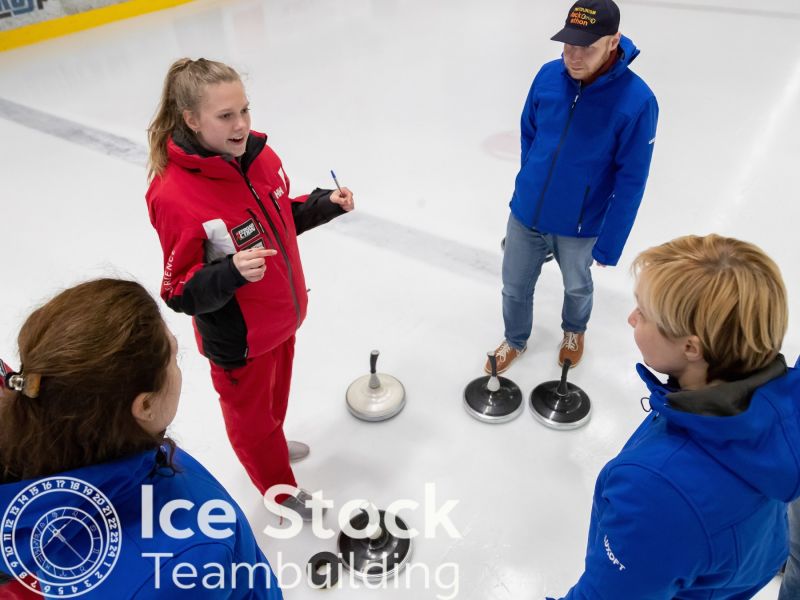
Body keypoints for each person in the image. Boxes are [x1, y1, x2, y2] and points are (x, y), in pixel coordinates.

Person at [145, 58, 354, 519]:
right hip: (239, 340)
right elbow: (178, 291)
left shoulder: (260, 158)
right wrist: (233, 272)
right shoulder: (174, 195)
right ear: (191, 119)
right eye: (225, 116)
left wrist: (324, 205)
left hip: (280, 318)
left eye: (244, 110)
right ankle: (278, 488)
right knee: (253, 423)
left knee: (273, 405)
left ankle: (272, 446)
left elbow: (279, 218)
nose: (241, 125)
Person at [549, 234, 800, 599]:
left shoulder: (657, 493)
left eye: (644, 313)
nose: (631, 317)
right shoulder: (778, 407)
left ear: (691, 347)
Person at [0, 279, 282, 599]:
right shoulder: (175, 565)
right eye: (174, 356)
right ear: (144, 405)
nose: (179, 365)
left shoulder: (50, 438)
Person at [488, 0, 658, 374]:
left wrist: (610, 242)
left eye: (587, 47)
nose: (574, 57)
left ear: (613, 42)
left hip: (580, 225)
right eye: (569, 44)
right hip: (526, 212)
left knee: (577, 287)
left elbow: (631, 181)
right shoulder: (548, 76)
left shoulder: (638, 101)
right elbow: (529, 133)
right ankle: (515, 339)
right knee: (513, 287)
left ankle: (574, 331)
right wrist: (530, 183)